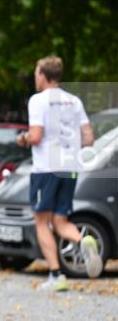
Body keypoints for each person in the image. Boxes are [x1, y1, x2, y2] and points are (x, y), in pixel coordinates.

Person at [15, 56, 100, 290]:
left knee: (41, 222)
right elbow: (89, 138)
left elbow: (36, 136)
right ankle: (84, 240)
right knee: (60, 220)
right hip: (70, 167)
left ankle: (56, 276)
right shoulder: (74, 101)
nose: (35, 77)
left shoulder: (38, 100)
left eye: (36, 73)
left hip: (46, 169)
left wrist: (22, 139)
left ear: (43, 75)